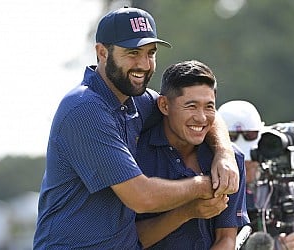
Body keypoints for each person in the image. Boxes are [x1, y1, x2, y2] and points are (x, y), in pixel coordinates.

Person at [33, 7, 239, 249]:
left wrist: (225, 155)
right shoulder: (84, 109)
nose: (144, 64)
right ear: (102, 52)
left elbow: (200, 114)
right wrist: (207, 184)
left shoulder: (134, 100)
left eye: (150, 53)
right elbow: (142, 197)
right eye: (133, 52)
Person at [135, 60, 250, 249]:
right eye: (191, 106)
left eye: (209, 106)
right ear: (164, 105)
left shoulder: (230, 162)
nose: (202, 117)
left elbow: (226, 239)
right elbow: (127, 240)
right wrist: (186, 211)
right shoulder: (136, 156)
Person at [219, 100, 294, 250]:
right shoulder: (210, 193)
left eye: (250, 161)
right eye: (237, 163)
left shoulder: (285, 191)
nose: (245, 168)